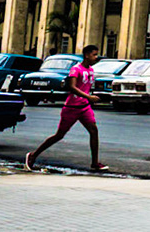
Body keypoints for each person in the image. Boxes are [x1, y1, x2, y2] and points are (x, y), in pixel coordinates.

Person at [25, 44, 109, 173]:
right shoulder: (76, 69)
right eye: (94, 55)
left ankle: (95, 163)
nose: (96, 58)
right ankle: (33, 155)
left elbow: (86, 86)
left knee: (94, 131)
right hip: (72, 107)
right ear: (86, 55)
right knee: (59, 135)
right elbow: (72, 86)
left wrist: (90, 98)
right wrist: (88, 96)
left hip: (84, 107)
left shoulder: (91, 70)